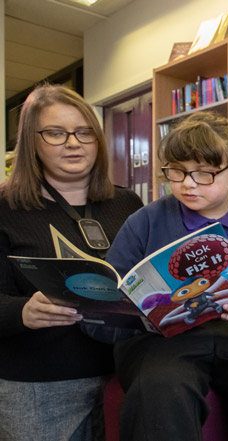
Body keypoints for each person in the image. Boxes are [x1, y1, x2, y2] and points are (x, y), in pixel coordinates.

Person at [105, 111, 228, 441]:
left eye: (203, 173)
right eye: (176, 171)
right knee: (160, 385)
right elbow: (109, 295)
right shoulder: (144, 221)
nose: (186, 183)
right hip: (163, 341)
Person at [0, 84, 144, 440]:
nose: (73, 143)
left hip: (124, 375)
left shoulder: (127, 204)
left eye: (84, 132)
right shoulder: (5, 209)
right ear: (32, 141)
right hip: (39, 389)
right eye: (55, 133)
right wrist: (22, 312)